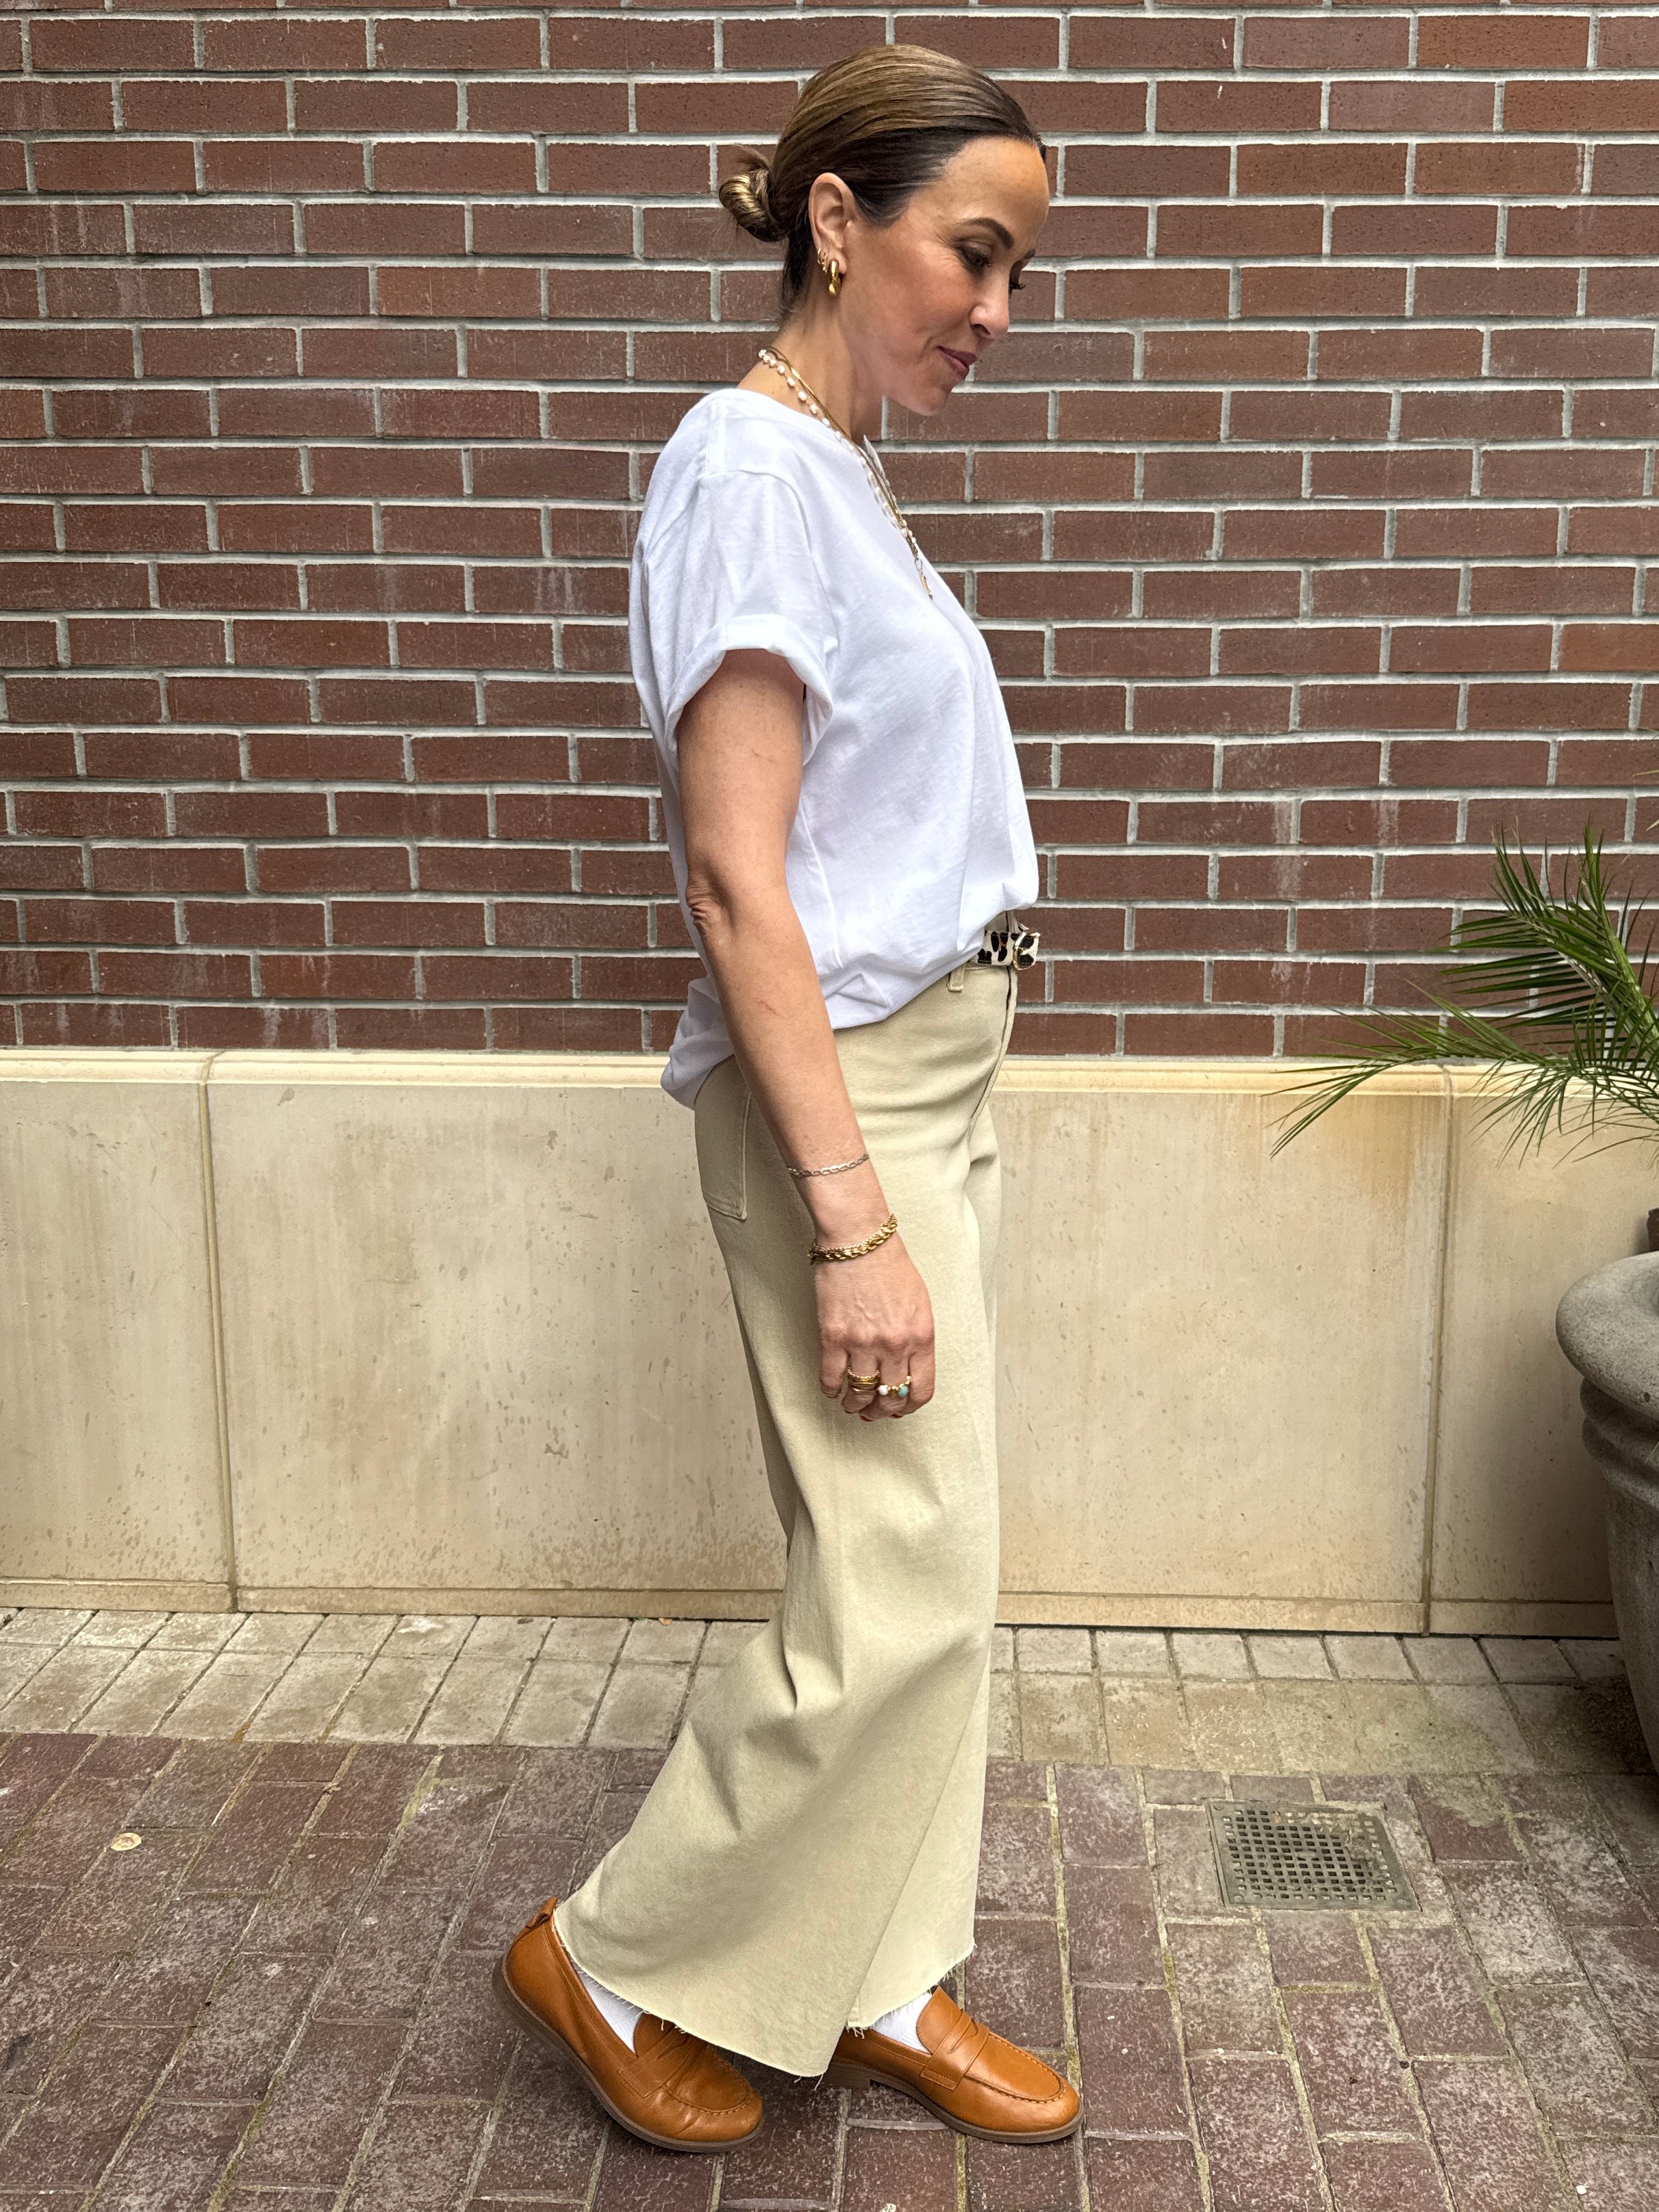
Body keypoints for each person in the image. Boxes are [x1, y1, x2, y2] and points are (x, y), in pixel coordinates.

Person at [493, 41, 1077, 2155]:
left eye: (1019, 271)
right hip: (856, 1106)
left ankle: (879, 1972)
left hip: (930, 1075)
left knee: (933, 1558)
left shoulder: (836, 473)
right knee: (895, 1579)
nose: (996, 310)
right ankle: (627, 1946)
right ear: (840, 221)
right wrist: (852, 1219)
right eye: (973, 254)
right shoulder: (748, 472)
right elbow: (739, 870)